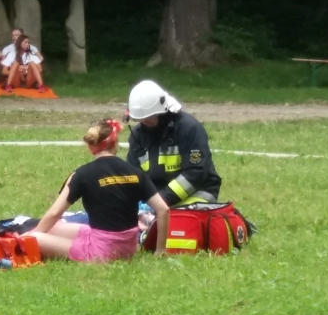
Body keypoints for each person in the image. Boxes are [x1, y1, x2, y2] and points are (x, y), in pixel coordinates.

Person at [26, 119, 170, 261]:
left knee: (33, 237)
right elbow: (163, 210)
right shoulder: (135, 172)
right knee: (54, 228)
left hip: (101, 253)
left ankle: (27, 241)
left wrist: (31, 238)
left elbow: (54, 213)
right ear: (115, 143)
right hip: (128, 249)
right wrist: (160, 250)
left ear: (91, 147)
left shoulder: (82, 174)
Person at [125, 80, 222, 207]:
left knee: (177, 220)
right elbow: (133, 175)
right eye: (140, 119)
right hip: (157, 199)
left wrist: (160, 201)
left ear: (162, 112)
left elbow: (195, 173)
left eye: (149, 117)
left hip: (196, 193)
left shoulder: (188, 128)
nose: (144, 122)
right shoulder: (138, 135)